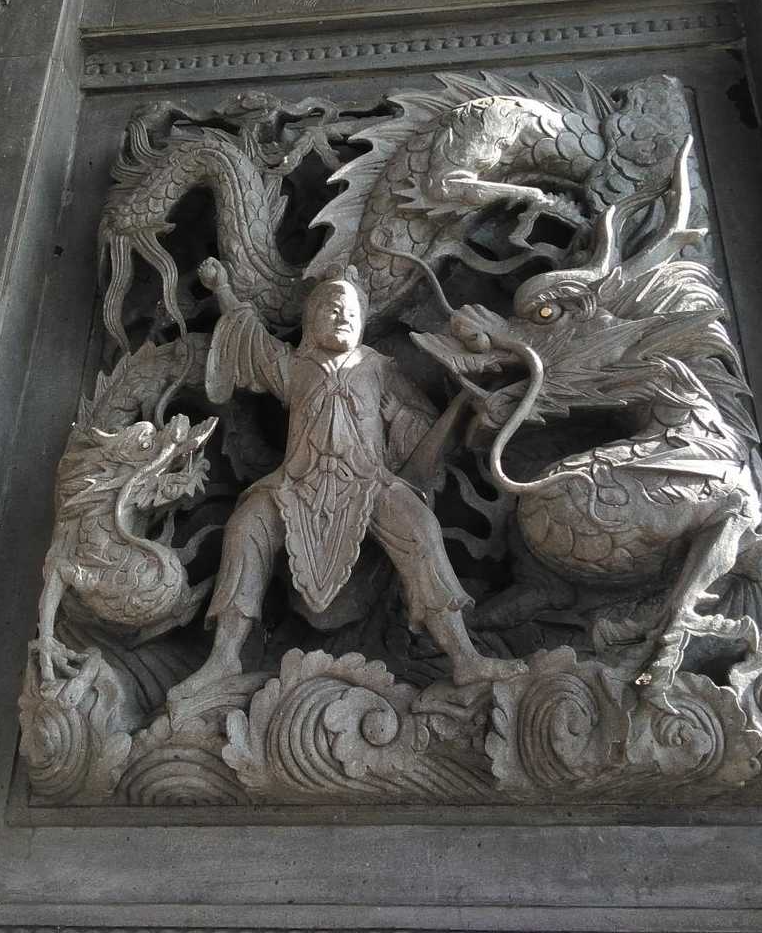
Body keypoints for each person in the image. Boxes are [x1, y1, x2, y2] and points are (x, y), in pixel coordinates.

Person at [167, 258, 526, 704]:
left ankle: (464, 656)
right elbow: (253, 339)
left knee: (421, 530)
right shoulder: (295, 366)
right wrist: (222, 288)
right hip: (296, 484)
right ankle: (224, 657)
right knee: (245, 528)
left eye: (352, 312)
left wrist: (412, 415)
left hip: (369, 481)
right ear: (311, 319)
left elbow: (424, 428)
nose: (343, 318)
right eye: (332, 309)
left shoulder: (378, 368)